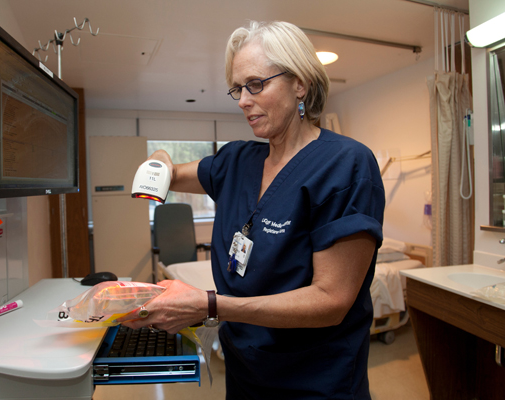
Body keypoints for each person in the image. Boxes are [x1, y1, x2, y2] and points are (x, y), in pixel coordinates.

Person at [120, 20, 385, 399]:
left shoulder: (346, 164)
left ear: (300, 84)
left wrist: (210, 305)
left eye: (256, 85)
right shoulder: (237, 160)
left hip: (314, 383)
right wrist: (159, 161)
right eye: (237, 88)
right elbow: (173, 172)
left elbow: (331, 300)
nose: (243, 100)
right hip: (244, 374)